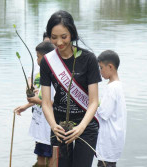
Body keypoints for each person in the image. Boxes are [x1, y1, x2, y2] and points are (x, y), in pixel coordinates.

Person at [40, 10, 102, 167]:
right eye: (54, 37)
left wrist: (81, 127)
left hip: (85, 127)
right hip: (60, 127)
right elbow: (46, 102)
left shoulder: (89, 59)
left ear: (72, 34)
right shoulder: (48, 61)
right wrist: (54, 126)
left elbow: (94, 101)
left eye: (64, 37)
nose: (59, 42)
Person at [14, 41, 55, 166]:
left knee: (52, 157)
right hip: (39, 121)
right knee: (40, 156)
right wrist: (26, 106)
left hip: (48, 125)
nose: (36, 59)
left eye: (38, 57)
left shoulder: (53, 75)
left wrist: (36, 100)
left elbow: (54, 102)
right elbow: (40, 96)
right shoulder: (41, 71)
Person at [96, 50, 127, 167]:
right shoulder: (118, 85)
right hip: (114, 138)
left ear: (110, 66)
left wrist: (93, 104)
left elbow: (103, 113)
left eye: (101, 68)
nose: (100, 72)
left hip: (109, 140)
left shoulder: (112, 88)